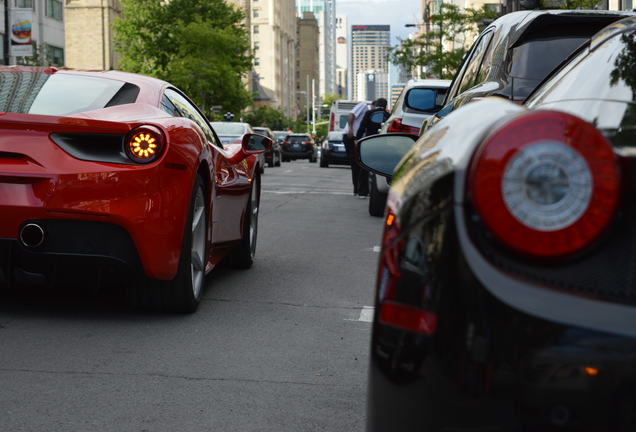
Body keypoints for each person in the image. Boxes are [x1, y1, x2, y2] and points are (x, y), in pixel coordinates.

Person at [354, 98, 390, 198]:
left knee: (365, 166)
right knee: (381, 168)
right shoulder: (388, 115)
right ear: (385, 105)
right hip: (382, 143)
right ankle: (379, 190)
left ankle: (363, 192)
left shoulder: (369, 112)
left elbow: (362, 127)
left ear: (376, 104)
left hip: (369, 142)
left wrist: (357, 139)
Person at [343, 101, 369, 196]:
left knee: (359, 164)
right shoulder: (364, 106)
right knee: (355, 163)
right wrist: (350, 129)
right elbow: (351, 114)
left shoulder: (370, 112)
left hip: (358, 138)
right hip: (351, 136)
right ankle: (357, 189)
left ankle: (358, 189)